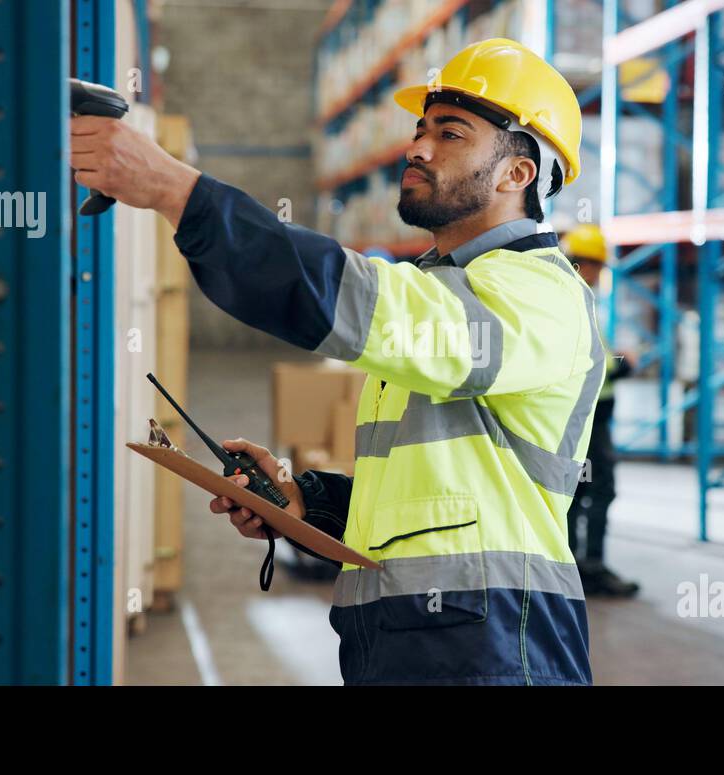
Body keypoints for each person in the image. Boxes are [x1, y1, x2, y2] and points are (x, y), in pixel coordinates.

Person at [70, 38, 602, 685]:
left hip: (499, 654)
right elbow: (432, 510)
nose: (418, 148)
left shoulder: (539, 293)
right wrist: (301, 499)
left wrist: (174, 189)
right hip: (412, 648)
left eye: (451, 133)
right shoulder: (447, 293)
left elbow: (348, 296)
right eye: (420, 129)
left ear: (517, 173)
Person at [560, 224, 639, 598]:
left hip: (584, 414)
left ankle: (574, 565)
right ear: (586, 265)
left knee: (578, 490)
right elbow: (585, 358)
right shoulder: (572, 298)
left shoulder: (574, 296)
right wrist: (622, 365)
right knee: (596, 489)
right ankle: (587, 566)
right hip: (588, 415)